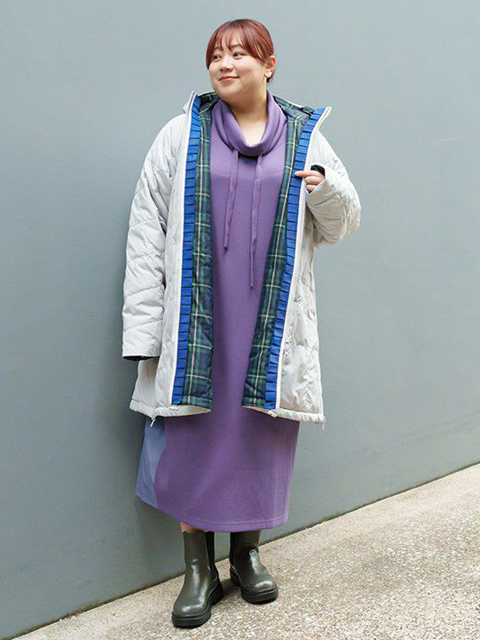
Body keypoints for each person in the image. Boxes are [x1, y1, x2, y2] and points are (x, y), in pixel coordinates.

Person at [122, 18, 361, 629]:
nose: (224, 65)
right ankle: (198, 569)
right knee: (192, 439)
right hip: (197, 323)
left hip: (269, 326)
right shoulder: (181, 134)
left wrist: (323, 190)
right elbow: (146, 233)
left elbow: (342, 224)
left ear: (269, 64)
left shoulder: (306, 138)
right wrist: (144, 332)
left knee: (258, 435)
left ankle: (247, 556)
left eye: (238, 54)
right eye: (216, 56)